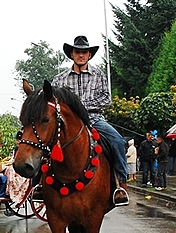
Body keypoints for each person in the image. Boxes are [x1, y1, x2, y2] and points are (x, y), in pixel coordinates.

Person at [52, 35, 128, 206]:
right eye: (77, 52)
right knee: (44, 141)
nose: (81, 55)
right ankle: (39, 186)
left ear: (89, 55)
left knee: (117, 141)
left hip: (94, 119)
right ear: (71, 54)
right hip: (66, 121)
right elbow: (55, 101)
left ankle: (120, 184)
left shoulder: (98, 75)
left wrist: (81, 106)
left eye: (84, 52)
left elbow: (106, 99)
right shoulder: (60, 79)